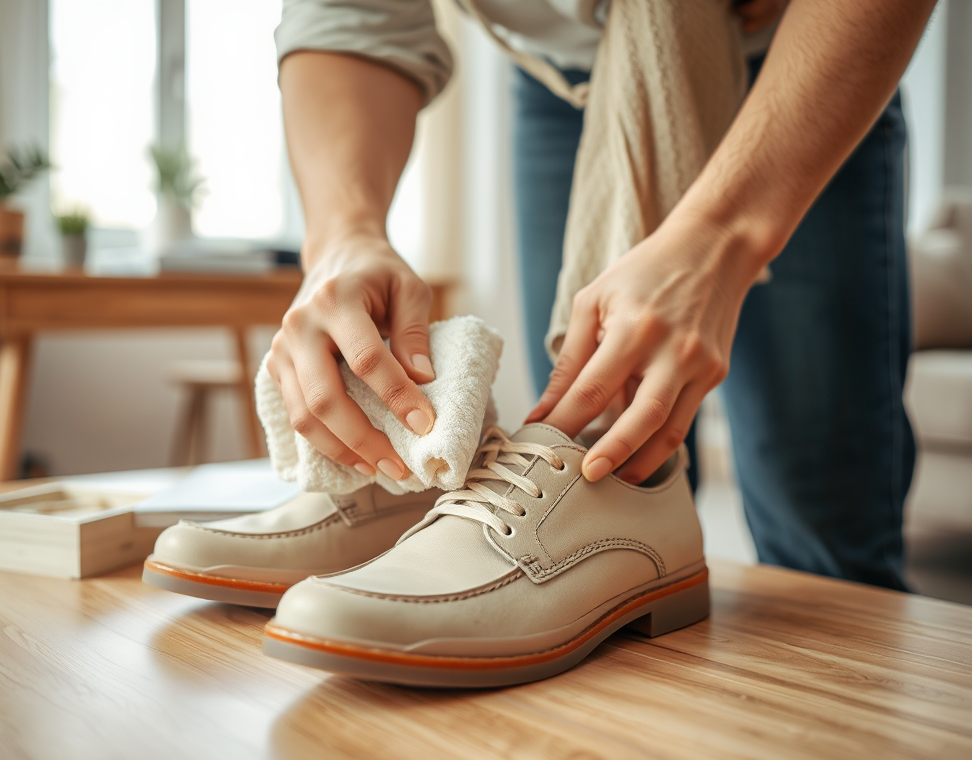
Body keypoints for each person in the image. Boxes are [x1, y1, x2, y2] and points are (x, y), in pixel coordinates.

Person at [266, 0, 937, 590]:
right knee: (597, 440)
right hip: (560, 81)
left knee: (820, 521)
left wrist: (721, 235)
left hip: (796, 68)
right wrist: (343, 235)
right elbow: (351, 14)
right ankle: (627, 591)